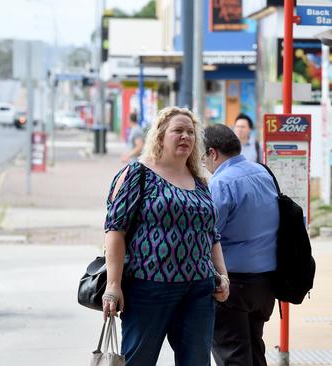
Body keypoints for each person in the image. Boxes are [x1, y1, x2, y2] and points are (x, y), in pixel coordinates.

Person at [101, 106, 229, 366]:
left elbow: (212, 234)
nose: (185, 137)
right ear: (160, 136)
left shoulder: (200, 181)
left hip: (199, 290)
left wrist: (222, 275)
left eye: (190, 132)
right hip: (149, 288)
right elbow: (115, 230)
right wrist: (113, 285)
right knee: (139, 361)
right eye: (178, 131)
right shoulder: (138, 174)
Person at [203, 124, 279, 366]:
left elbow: (210, 233)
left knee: (232, 356)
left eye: (203, 157)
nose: (204, 163)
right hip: (266, 283)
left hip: (233, 285)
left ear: (213, 153)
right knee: (255, 351)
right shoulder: (262, 172)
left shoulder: (221, 183)